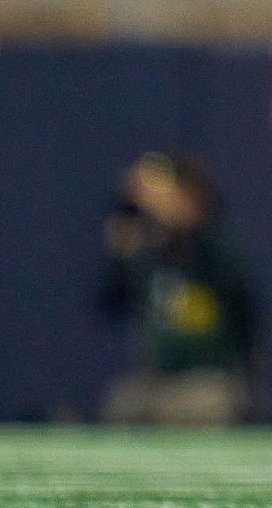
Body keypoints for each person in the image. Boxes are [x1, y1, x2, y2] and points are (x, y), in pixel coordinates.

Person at [101, 153, 257, 426]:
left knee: (206, 407)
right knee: (122, 403)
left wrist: (185, 221)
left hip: (211, 380)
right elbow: (110, 303)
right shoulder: (149, 254)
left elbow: (236, 290)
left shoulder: (216, 245)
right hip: (160, 383)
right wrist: (124, 236)